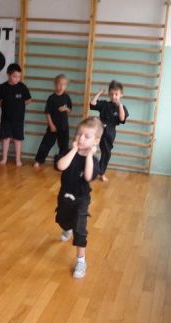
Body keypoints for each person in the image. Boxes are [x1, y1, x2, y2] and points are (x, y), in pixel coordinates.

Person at [55, 117, 103, 279]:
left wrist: (89, 155)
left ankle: (81, 260)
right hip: (64, 196)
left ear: (96, 141)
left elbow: (88, 176)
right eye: (79, 134)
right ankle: (66, 227)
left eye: (87, 136)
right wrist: (74, 150)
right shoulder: (68, 152)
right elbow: (61, 166)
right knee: (62, 220)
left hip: (81, 199)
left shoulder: (93, 161)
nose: (81, 138)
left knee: (80, 229)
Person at [90, 80, 129, 182]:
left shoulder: (121, 107)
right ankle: (86, 169)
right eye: (111, 94)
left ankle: (101, 172)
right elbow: (92, 103)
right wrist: (99, 93)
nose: (113, 96)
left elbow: (122, 118)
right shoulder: (104, 104)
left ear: (121, 94)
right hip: (99, 129)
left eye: (116, 94)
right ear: (109, 94)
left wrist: (120, 105)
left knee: (106, 153)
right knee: (89, 148)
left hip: (109, 132)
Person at [0, 63, 32, 166]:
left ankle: (18, 159)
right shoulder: (3, 87)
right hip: (6, 118)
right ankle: (4, 158)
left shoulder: (22, 87)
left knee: (17, 139)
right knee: (5, 139)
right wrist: (1, 103)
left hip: (18, 119)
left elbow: (29, 100)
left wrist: (20, 104)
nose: (17, 79)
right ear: (8, 75)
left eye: (19, 76)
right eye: (15, 76)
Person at [33, 74, 72, 168]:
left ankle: (62, 163)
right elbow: (47, 113)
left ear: (66, 86)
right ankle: (38, 160)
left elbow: (70, 110)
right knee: (46, 144)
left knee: (64, 146)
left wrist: (66, 109)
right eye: (59, 84)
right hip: (53, 126)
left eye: (63, 84)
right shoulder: (51, 98)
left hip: (64, 126)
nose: (61, 86)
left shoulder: (67, 97)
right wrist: (51, 125)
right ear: (55, 85)